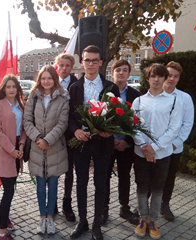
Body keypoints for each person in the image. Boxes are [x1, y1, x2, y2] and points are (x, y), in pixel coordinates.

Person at [69, 45, 120, 240]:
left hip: (103, 143)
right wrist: (76, 130)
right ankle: (83, 221)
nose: (90, 64)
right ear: (82, 62)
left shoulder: (110, 87)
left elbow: (116, 114)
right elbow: (70, 115)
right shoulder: (74, 88)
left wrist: (110, 130)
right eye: (87, 60)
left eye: (94, 60)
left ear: (100, 62)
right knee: (81, 182)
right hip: (82, 142)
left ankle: (97, 224)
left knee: (101, 183)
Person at [132, 63, 180, 239]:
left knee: (158, 188)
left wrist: (154, 148)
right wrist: (145, 147)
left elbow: (173, 129)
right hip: (141, 153)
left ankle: (153, 221)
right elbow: (133, 125)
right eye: (153, 76)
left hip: (162, 154)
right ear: (148, 78)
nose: (157, 79)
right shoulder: (138, 101)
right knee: (142, 187)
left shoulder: (173, 101)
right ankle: (143, 219)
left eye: (160, 76)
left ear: (165, 78)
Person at [24, 65, 69, 235]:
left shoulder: (62, 99)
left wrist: (48, 139)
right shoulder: (33, 98)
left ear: (54, 79)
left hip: (54, 148)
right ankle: (42, 217)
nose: (46, 81)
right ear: (39, 80)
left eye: (49, 78)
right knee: (40, 186)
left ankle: (50, 218)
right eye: (43, 78)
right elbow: (27, 121)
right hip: (37, 149)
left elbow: (62, 123)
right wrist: (37, 138)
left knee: (54, 185)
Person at [104, 60, 141, 225]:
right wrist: (110, 139)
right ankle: (103, 208)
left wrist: (126, 140)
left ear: (128, 73)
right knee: (104, 176)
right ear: (113, 73)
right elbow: (99, 116)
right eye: (118, 70)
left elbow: (138, 121)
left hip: (126, 144)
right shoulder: (105, 92)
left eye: (125, 70)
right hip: (107, 143)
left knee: (124, 176)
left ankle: (124, 207)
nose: (121, 73)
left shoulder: (136, 95)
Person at [0, 75, 27, 240]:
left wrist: (21, 144)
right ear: (3, 88)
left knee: (10, 189)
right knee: (9, 191)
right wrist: (11, 149)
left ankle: (5, 218)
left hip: (17, 150)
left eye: (14, 87)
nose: (11, 89)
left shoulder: (20, 105)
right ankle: (2, 231)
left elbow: (24, 128)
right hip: (4, 150)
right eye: (8, 86)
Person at [160, 61, 194, 221]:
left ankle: (164, 205)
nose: (171, 79)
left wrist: (176, 142)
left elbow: (187, 123)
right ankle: (145, 204)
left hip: (174, 147)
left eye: (175, 76)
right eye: (169, 75)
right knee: (152, 177)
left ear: (179, 78)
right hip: (156, 147)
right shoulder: (154, 94)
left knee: (169, 177)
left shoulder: (184, 98)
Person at [55, 53, 77, 221]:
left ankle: (67, 203)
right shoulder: (49, 82)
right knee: (53, 170)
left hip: (70, 134)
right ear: (57, 65)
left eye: (67, 66)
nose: (64, 68)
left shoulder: (77, 84)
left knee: (69, 171)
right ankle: (52, 204)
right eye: (61, 65)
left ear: (71, 67)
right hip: (53, 134)